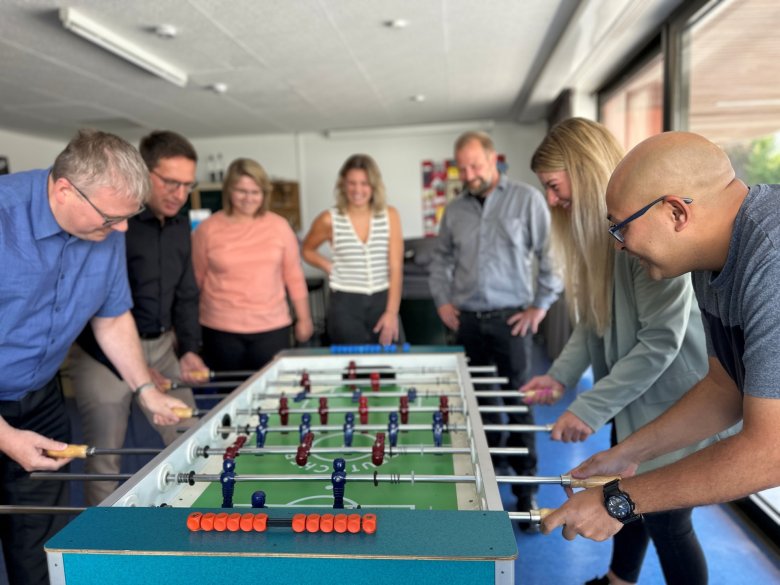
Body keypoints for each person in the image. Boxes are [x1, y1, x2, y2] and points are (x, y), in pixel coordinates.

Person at [540, 131, 780, 551]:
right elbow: (725, 390)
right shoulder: (712, 262)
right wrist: (627, 453)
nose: (618, 246)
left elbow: (769, 452)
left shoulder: (770, 262)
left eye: (621, 228)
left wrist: (617, 502)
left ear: (675, 213)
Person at [523, 118, 719, 585]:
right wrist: (560, 376)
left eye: (553, 186)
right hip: (635, 401)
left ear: (582, 171)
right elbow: (593, 320)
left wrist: (589, 408)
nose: (551, 201)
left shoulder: (643, 232)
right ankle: (618, 580)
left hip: (676, 401)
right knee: (626, 495)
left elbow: (660, 341)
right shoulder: (595, 240)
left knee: (669, 521)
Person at [0, 129, 186, 585]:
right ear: (64, 189)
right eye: (111, 217)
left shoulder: (107, 222)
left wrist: (144, 387)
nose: (121, 229)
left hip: (39, 395)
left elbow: (111, 314)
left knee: (38, 533)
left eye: (128, 217)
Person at [65, 130, 207, 506]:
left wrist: (190, 350)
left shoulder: (180, 223)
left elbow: (186, 293)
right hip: (102, 353)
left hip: (161, 347)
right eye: (170, 182)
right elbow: (87, 307)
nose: (179, 193)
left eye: (187, 185)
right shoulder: (113, 220)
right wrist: (138, 371)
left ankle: (194, 523)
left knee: (189, 436)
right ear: (144, 173)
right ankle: (100, 550)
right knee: (105, 456)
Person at [428, 131, 562, 515]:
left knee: (520, 401)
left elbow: (552, 256)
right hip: (467, 322)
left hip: (513, 320)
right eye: (462, 167)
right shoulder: (454, 211)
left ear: (493, 160)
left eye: (475, 165)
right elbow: (440, 261)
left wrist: (540, 306)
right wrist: (442, 302)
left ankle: (525, 485)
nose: (469, 173)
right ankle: (487, 474)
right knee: (478, 403)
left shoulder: (527, 199)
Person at [192, 157, 313, 372]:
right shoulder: (207, 229)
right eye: (241, 191)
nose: (248, 198)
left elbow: (294, 276)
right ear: (229, 190)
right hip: (220, 329)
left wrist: (304, 319)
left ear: (264, 193)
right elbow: (196, 281)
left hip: (272, 328)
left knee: (274, 395)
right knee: (229, 395)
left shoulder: (279, 226)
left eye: (255, 192)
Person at [302, 154, 404, 346]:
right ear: (343, 184)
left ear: (374, 185)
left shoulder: (390, 215)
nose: (358, 189)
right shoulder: (328, 219)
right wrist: (328, 266)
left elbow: (396, 267)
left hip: (382, 301)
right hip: (345, 304)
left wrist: (391, 313)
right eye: (352, 183)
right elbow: (306, 250)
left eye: (364, 183)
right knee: (352, 368)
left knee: (389, 367)